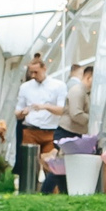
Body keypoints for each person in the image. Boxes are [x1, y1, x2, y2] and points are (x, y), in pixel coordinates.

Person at [14, 55, 64, 185]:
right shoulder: (25, 87)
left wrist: (45, 106)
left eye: (36, 72)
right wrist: (21, 113)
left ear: (44, 68)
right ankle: (29, 190)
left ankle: (51, 191)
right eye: (31, 72)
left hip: (50, 131)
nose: (33, 75)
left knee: (51, 164)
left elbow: (62, 110)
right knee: (29, 166)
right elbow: (17, 112)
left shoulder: (58, 85)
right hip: (30, 130)